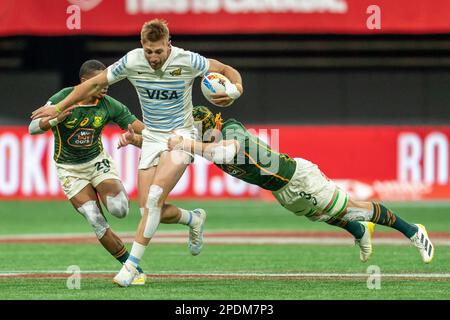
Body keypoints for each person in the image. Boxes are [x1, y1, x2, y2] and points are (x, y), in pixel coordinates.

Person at [31, 19, 244, 287]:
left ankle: (130, 266)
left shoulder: (188, 60)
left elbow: (225, 69)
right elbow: (93, 83)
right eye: (149, 51)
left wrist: (235, 89)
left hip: (181, 136)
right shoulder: (132, 61)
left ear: (169, 44)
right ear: (142, 46)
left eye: (159, 51)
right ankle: (194, 218)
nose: (154, 57)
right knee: (148, 210)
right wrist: (58, 106)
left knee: (155, 197)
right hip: (153, 138)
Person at [161, 106, 433, 264]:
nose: (199, 138)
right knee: (323, 215)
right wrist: (138, 138)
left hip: (298, 176)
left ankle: (412, 231)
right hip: (281, 190)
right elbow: (194, 149)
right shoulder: (206, 145)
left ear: (211, 126)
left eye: (199, 133)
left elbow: (225, 152)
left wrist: (184, 143)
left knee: (351, 208)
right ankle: (359, 231)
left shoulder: (231, 130)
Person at [28, 59, 148, 285]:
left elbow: (140, 128)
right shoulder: (62, 98)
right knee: (95, 218)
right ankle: (131, 267)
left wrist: (165, 138)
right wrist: (54, 120)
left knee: (119, 209)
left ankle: (100, 189)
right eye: (99, 82)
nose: (104, 86)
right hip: (70, 169)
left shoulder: (110, 104)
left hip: (97, 162)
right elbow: (32, 128)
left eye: (107, 82)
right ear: (84, 82)